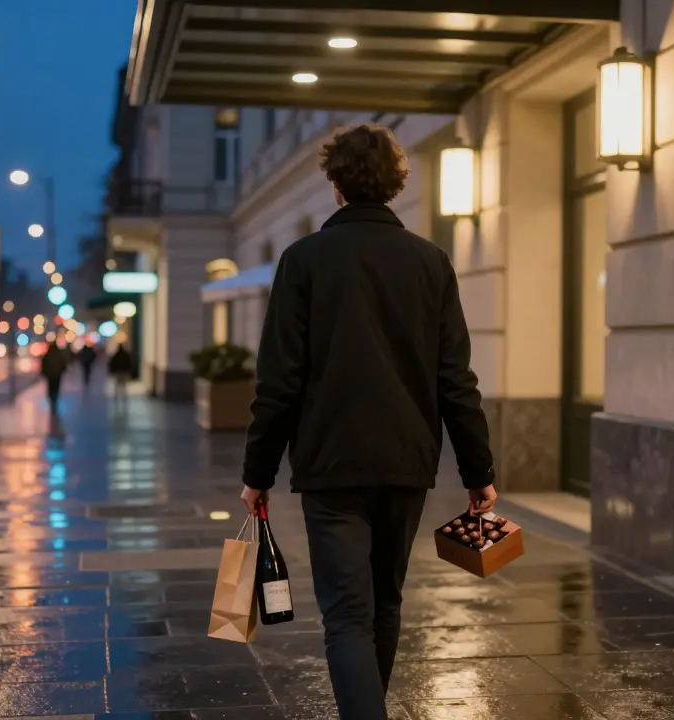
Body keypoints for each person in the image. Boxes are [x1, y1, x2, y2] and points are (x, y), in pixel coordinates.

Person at [239, 124, 496, 720]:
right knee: (384, 603)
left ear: (335, 185)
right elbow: (455, 378)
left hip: (330, 465)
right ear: (395, 185)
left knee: (347, 615)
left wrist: (259, 473)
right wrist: (477, 469)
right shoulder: (430, 262)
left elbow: (278, 380)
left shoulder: (303, 260)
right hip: (406, 462)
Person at [40, 341, 68, 414]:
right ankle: (54, 400)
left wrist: (44, 373)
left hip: (50, 375)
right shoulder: (59, 355)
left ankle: (52, 399)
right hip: (57, 375)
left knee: (50, 387)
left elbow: (43, 364)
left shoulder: (47, 355)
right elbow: (63, 364)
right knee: (56, 388)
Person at [107, 343, 134, 408]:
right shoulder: (125, 355)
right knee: (123, 386)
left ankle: (116, 398)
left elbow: (112, 364)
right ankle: (123, 397)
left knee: (117, 386)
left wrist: (111, 372)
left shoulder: (116, 355)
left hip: (118, 373)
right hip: (124, 372)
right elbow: (129, 363)